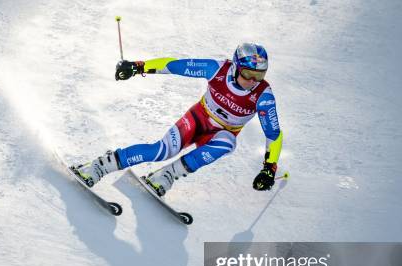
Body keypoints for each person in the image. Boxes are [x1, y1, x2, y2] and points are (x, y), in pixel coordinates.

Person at [73, 42, 283, 196]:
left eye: (260, 75)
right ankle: (98, 166)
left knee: (229, 143)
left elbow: (273, 134)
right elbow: (175, 66)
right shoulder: (217, 69)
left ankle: (165, 176)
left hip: (222, 133)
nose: (253, 81)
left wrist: (269, 168)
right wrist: (138, 67)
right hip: (199, 118)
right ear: (236, 67)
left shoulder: (263, 96)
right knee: (162, 150)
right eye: (248, 74)